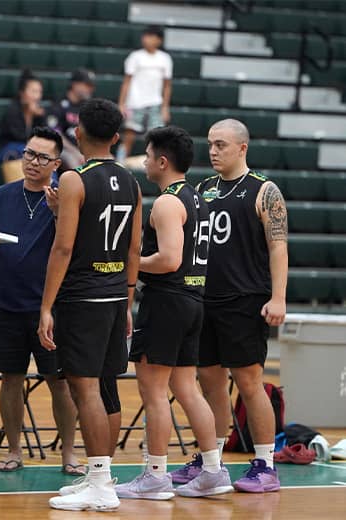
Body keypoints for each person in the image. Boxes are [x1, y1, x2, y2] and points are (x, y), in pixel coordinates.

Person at [114, 126, 233, 500]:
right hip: (192, 301)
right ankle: (213, 470)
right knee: (186, 389)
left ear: (162, 161)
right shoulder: (197, 198)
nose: (145, 162)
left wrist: (129, 261)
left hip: (167, 302)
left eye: (148, 156)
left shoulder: (167, 202)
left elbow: (168, 259)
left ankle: (155, 475)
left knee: (153, 392)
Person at [170, 119, 288, 493]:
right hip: (205, 299)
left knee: (250, 382)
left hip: (245, 299)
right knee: (210, 384)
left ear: (242, 148)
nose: (213, 151)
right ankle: (211, 461)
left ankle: (266, 464)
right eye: (210, 144)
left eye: (221, 144)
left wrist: (279, 297)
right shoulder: (203, 189)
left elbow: (278, 247)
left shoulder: (264, 190)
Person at [37, 98, 142, 512]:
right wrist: (129, 299)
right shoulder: (131, 182)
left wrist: (46, 307)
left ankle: (99, 484)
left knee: (85, 388)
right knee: (104, 387)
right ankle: (102, 477)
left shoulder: (74, 180)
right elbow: (133, 248)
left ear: (77, 134)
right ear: (117, 138)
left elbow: (63, 248)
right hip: (116, 295)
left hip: (82, 296)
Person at [0, 127, 82, 475]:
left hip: (50, 308)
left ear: (57, 164)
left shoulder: (63, 198)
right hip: (6, 305)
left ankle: (69, 454)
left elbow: (72, 246)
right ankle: (14, 450)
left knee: (59, 381)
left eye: (43, 157)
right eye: (29, 153)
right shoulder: (0, 195)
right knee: (9, 379)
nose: (33, 162)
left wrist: (59, 213)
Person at [116, 26, 172, 163]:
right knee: (128, 135)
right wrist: (121, 104)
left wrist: (165, 107)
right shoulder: (135, 57)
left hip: (155, 103)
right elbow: (126, 82)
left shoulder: (165, 59)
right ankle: (120, 163)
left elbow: (167, 86)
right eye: (145, 36)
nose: (146, 39)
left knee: (157, 137)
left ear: (159, 40)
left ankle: (154, 163)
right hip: (134, 102)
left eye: (151, 36)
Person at [0, 71, 47, 182]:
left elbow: (45, 136)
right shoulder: (12, 110)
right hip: (10, 149)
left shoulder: (39, 114)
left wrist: (40, 118)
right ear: (22, 93)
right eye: (33, 91)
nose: (37, 96)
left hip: (32, 151)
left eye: (39, 92)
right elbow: (19, 136)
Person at [47, 69, 95, 171]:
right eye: (87, 85)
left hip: (83, 150)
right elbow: (56, 134)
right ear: (75, 84)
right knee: (76, 164)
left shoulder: (87, 107)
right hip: (62, 150)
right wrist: (76, 152)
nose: (90, 89)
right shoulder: (59, 105)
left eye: (91, 86)